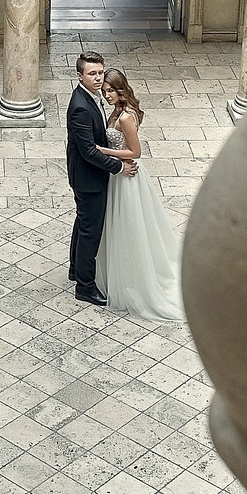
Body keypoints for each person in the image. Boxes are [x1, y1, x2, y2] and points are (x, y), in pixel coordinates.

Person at [92, 69, 185, 321]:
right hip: (116, 175)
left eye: (111, 90)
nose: (107, 95)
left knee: (130, 226)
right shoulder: (116, 111)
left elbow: (135, 151)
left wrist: (102, 150)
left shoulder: (125, 118)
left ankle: (134, 280)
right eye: (104, 91)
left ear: (121, 89)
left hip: (127, 177)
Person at [66, 51, 134, 306]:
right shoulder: (80, 108)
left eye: (100, 73)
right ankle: (85, 286)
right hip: (88, 178)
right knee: (91, 231)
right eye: (91, 73)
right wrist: (118, 167)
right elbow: (88, 151)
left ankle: (75, 269)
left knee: (83, 222)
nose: (97, 78)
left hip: (86, 176)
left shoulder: (90, 97)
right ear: (79, 76)